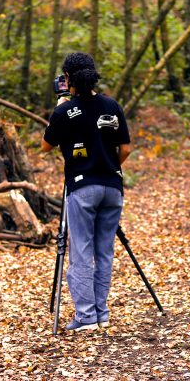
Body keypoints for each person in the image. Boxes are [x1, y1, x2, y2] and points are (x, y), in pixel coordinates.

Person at [41, 52, 132, 331]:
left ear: (68, 79)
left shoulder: (64, 111)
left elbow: (46, 146)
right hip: (113, 187)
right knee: (104, 251)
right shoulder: (111, 105)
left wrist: (61, 106)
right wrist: (106, 165)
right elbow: (126, 148)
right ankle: (101, 313)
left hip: (82, 187)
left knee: (81, 252)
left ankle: (85, 316)